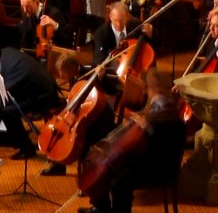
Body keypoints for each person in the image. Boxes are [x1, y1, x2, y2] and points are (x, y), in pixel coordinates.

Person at [78, 69, 185, 213]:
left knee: (118, 180)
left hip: (157, 169)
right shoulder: (171, 108)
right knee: (114, 171)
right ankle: (101, 209)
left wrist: (141, 127)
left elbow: (149, 141)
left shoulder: (158, 113)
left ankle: (104, 209)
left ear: (149, 88)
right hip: (164, 165)